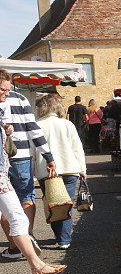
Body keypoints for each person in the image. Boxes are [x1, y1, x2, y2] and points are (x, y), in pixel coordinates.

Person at [0, 71, 65, 274]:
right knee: (25, 199)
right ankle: (27, 240)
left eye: (8, 89)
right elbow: (33, 129)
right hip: (19, 157)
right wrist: (48, 156)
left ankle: (18, 249)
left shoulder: (12, 98)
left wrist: (6, 131)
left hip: (4, 165)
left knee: (13, 212)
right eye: (3, 89)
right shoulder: (19, 99)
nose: (7, 93)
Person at [33, 94, 87, 250]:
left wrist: (32, 171)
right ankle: (63, 238)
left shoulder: (36, 125)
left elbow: (32, 151)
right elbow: (77, 148)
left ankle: (61, 236)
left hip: (46, 171)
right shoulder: (66, 124)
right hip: (69, 168)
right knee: (66, 203)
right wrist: (82, 169)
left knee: (53, 204)